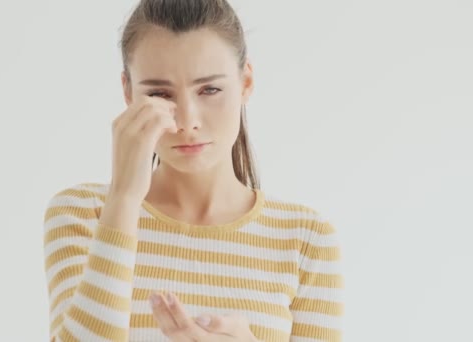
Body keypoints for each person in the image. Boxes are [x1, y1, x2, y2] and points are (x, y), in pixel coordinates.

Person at [42, 0, 344, 341]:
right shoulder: (84, 214)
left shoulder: (306, 241)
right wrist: (123, 200)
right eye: (159, 93)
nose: (187, 121)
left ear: (245, 82)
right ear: (128, 92)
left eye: (210, 90)